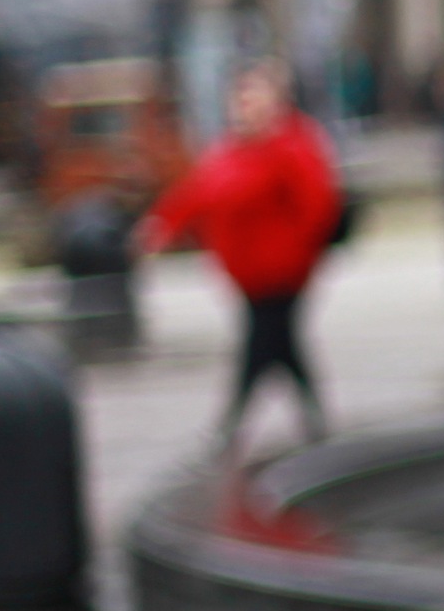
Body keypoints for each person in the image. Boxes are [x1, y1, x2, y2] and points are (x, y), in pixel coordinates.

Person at [134, 59, 341, 452]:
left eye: (255, 97)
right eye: (241, 98)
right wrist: (163, 224)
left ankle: (231, 425)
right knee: (281, 345)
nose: (246, 106)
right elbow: (198, 192)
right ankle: (313, 417)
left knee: (260, 344)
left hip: (282, 272)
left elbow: (318, 204)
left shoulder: (292, 144)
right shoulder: (230, 149)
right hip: (246, 273)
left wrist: (297, 250)